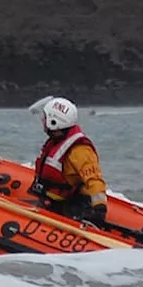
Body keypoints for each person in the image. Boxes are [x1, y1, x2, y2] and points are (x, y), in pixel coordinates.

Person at [27, 96, 109, 228]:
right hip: (53, 200)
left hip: (71, 205)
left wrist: (99, 209)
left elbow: (94, 180)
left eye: (46, 117)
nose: (43, 120)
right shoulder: (57, 141)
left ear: (54, 122)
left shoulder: (79, 150)